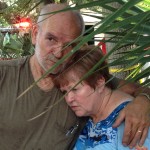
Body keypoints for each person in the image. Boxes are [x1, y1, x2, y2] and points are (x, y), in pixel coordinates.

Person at [0, 3, 149, 150]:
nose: (58, 53)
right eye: (51, 39)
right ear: (35, 34)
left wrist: (143, 102)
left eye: (69, 45)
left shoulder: (85, 79)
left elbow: (139, 89)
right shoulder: (5, 74)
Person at [54, 45, 150, 150]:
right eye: (64, 92)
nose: (69, 99)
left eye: (75, 89)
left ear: (99, 82)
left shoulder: (134, 120)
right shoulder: (91, 116)